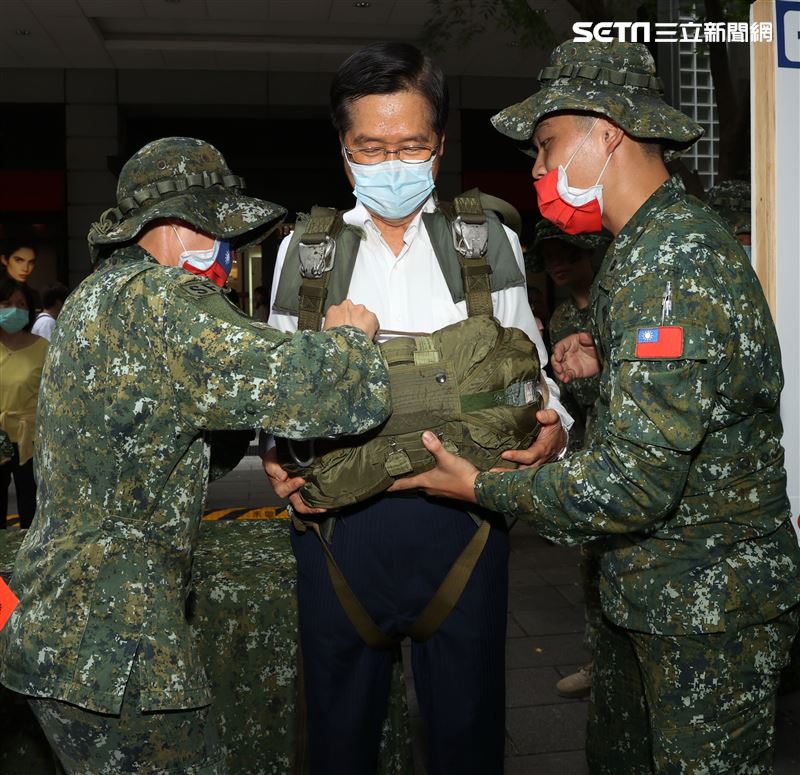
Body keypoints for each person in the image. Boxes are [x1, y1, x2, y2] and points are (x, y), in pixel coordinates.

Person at [390, 40, 800, 773]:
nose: (538, 170)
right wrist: (594, 377)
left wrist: (482, 486)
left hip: (705, 610)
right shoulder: (640, 250)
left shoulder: (671, 263)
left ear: (606, 132)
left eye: (548, 146)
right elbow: (680, 397)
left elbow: (633, 484)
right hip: (650, 593)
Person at [0, 136, 391, 775]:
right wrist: (350, 338)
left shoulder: (98, 297)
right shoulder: (162, 300)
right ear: (180, 226)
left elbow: (161, 438)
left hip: (58, 630)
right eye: (221, 232)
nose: (230, 256)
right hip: (121, 655)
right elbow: (319, 392)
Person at [264, 42, 571, 775]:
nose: (391, 163)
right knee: (338, 739)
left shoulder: (483, 240)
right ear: (344, 149)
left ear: (438, 149)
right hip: (338, 531)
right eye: (371, 146)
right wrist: (274, 445)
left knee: (467, 737)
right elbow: (278, 380)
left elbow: (525, 363)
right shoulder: (305, 252)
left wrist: (554, 424)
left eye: (410, 145)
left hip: (461, 526)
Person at [532, 219, 608, 699]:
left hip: (625, 452)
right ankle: (598, 658)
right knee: (591, 565)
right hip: (588, 452)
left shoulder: (614, 306)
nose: (558, 265)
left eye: (569, 255)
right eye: (550, 259)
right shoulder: (561, 319)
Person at [0, 276, 47, 530]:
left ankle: (27, 561)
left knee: (30, 504)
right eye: (6, 303)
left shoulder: (43, 348)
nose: (13, 310)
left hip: (30, 437)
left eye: (20, 304)